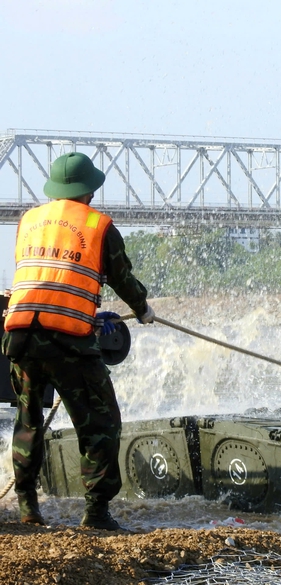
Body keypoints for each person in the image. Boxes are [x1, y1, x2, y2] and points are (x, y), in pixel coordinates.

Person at [1, 152, 155, 530]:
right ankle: (97, 512)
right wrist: (142, 308)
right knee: (101, 422)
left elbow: (44, 277)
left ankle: (26, 508)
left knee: (27, 421)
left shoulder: (28, 221)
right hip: (67, 341)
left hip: (19, 335)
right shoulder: (98, 226)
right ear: (89, 190)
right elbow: (121, 279)